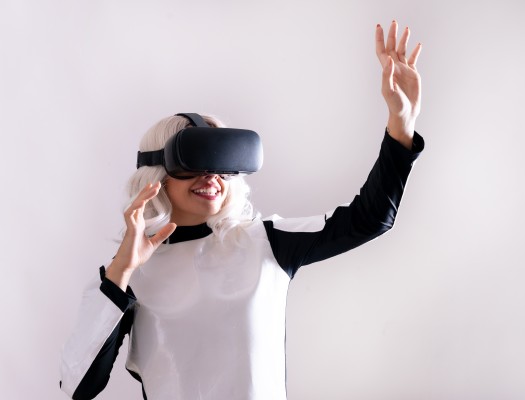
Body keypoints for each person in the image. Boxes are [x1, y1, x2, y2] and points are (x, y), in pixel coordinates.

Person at [60, 20, 425, 400]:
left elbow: (369, 218)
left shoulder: (264, 242)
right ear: (157, 174)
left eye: (222, 165)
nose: (211, 177)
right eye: (193, 163)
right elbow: (79, 385)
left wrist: (401, 125)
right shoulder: (125, 275)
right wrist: (121, 270)